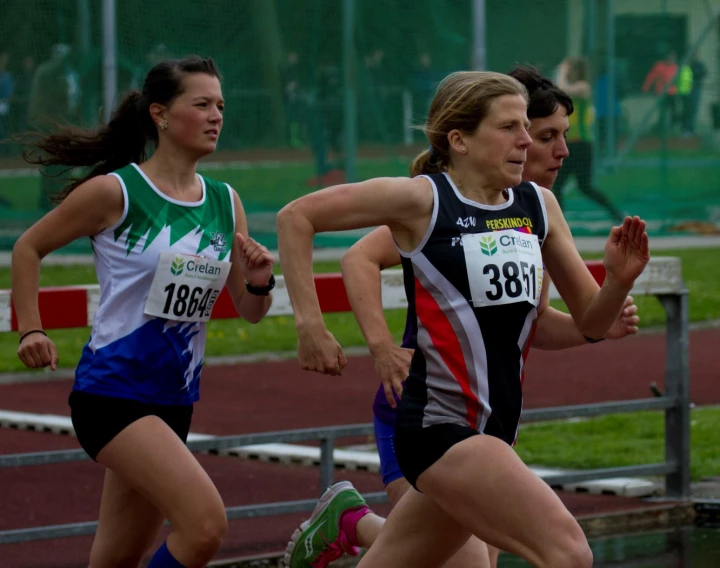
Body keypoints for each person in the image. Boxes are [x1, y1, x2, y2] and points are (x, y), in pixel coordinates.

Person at [277, 70, 650, 568]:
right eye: (510, 128)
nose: (526, 141)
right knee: (568, 552)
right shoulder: (423, 200)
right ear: (459, 140)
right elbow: (295, 217)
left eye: (527, 127)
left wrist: (619, 280)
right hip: (439, 427)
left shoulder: (538, 205)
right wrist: (311, 325)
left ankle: (344, 524)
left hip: (495, 431)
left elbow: (591, 321)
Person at [12, 56, 276, 568]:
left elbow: (249, 312)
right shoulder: (118, 191)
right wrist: (31, 329)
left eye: (220, 105)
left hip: (174, 400)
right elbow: (28, 248)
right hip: (112, 394)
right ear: (159, 114)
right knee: (204, 526)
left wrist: (261, 282)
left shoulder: (225, 201)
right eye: (201, 104)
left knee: (117, 558)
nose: (216, 115)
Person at [555, 56, 624, 222]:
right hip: (569, 145)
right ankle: (558, 224)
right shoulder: (570, 89)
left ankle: (616, 213)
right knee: (557, 186)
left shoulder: (583, 87)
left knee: (584, 187)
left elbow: (561, 90)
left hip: (582, 145)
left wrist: (562, 72)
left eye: (571, 69)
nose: (568, 72)